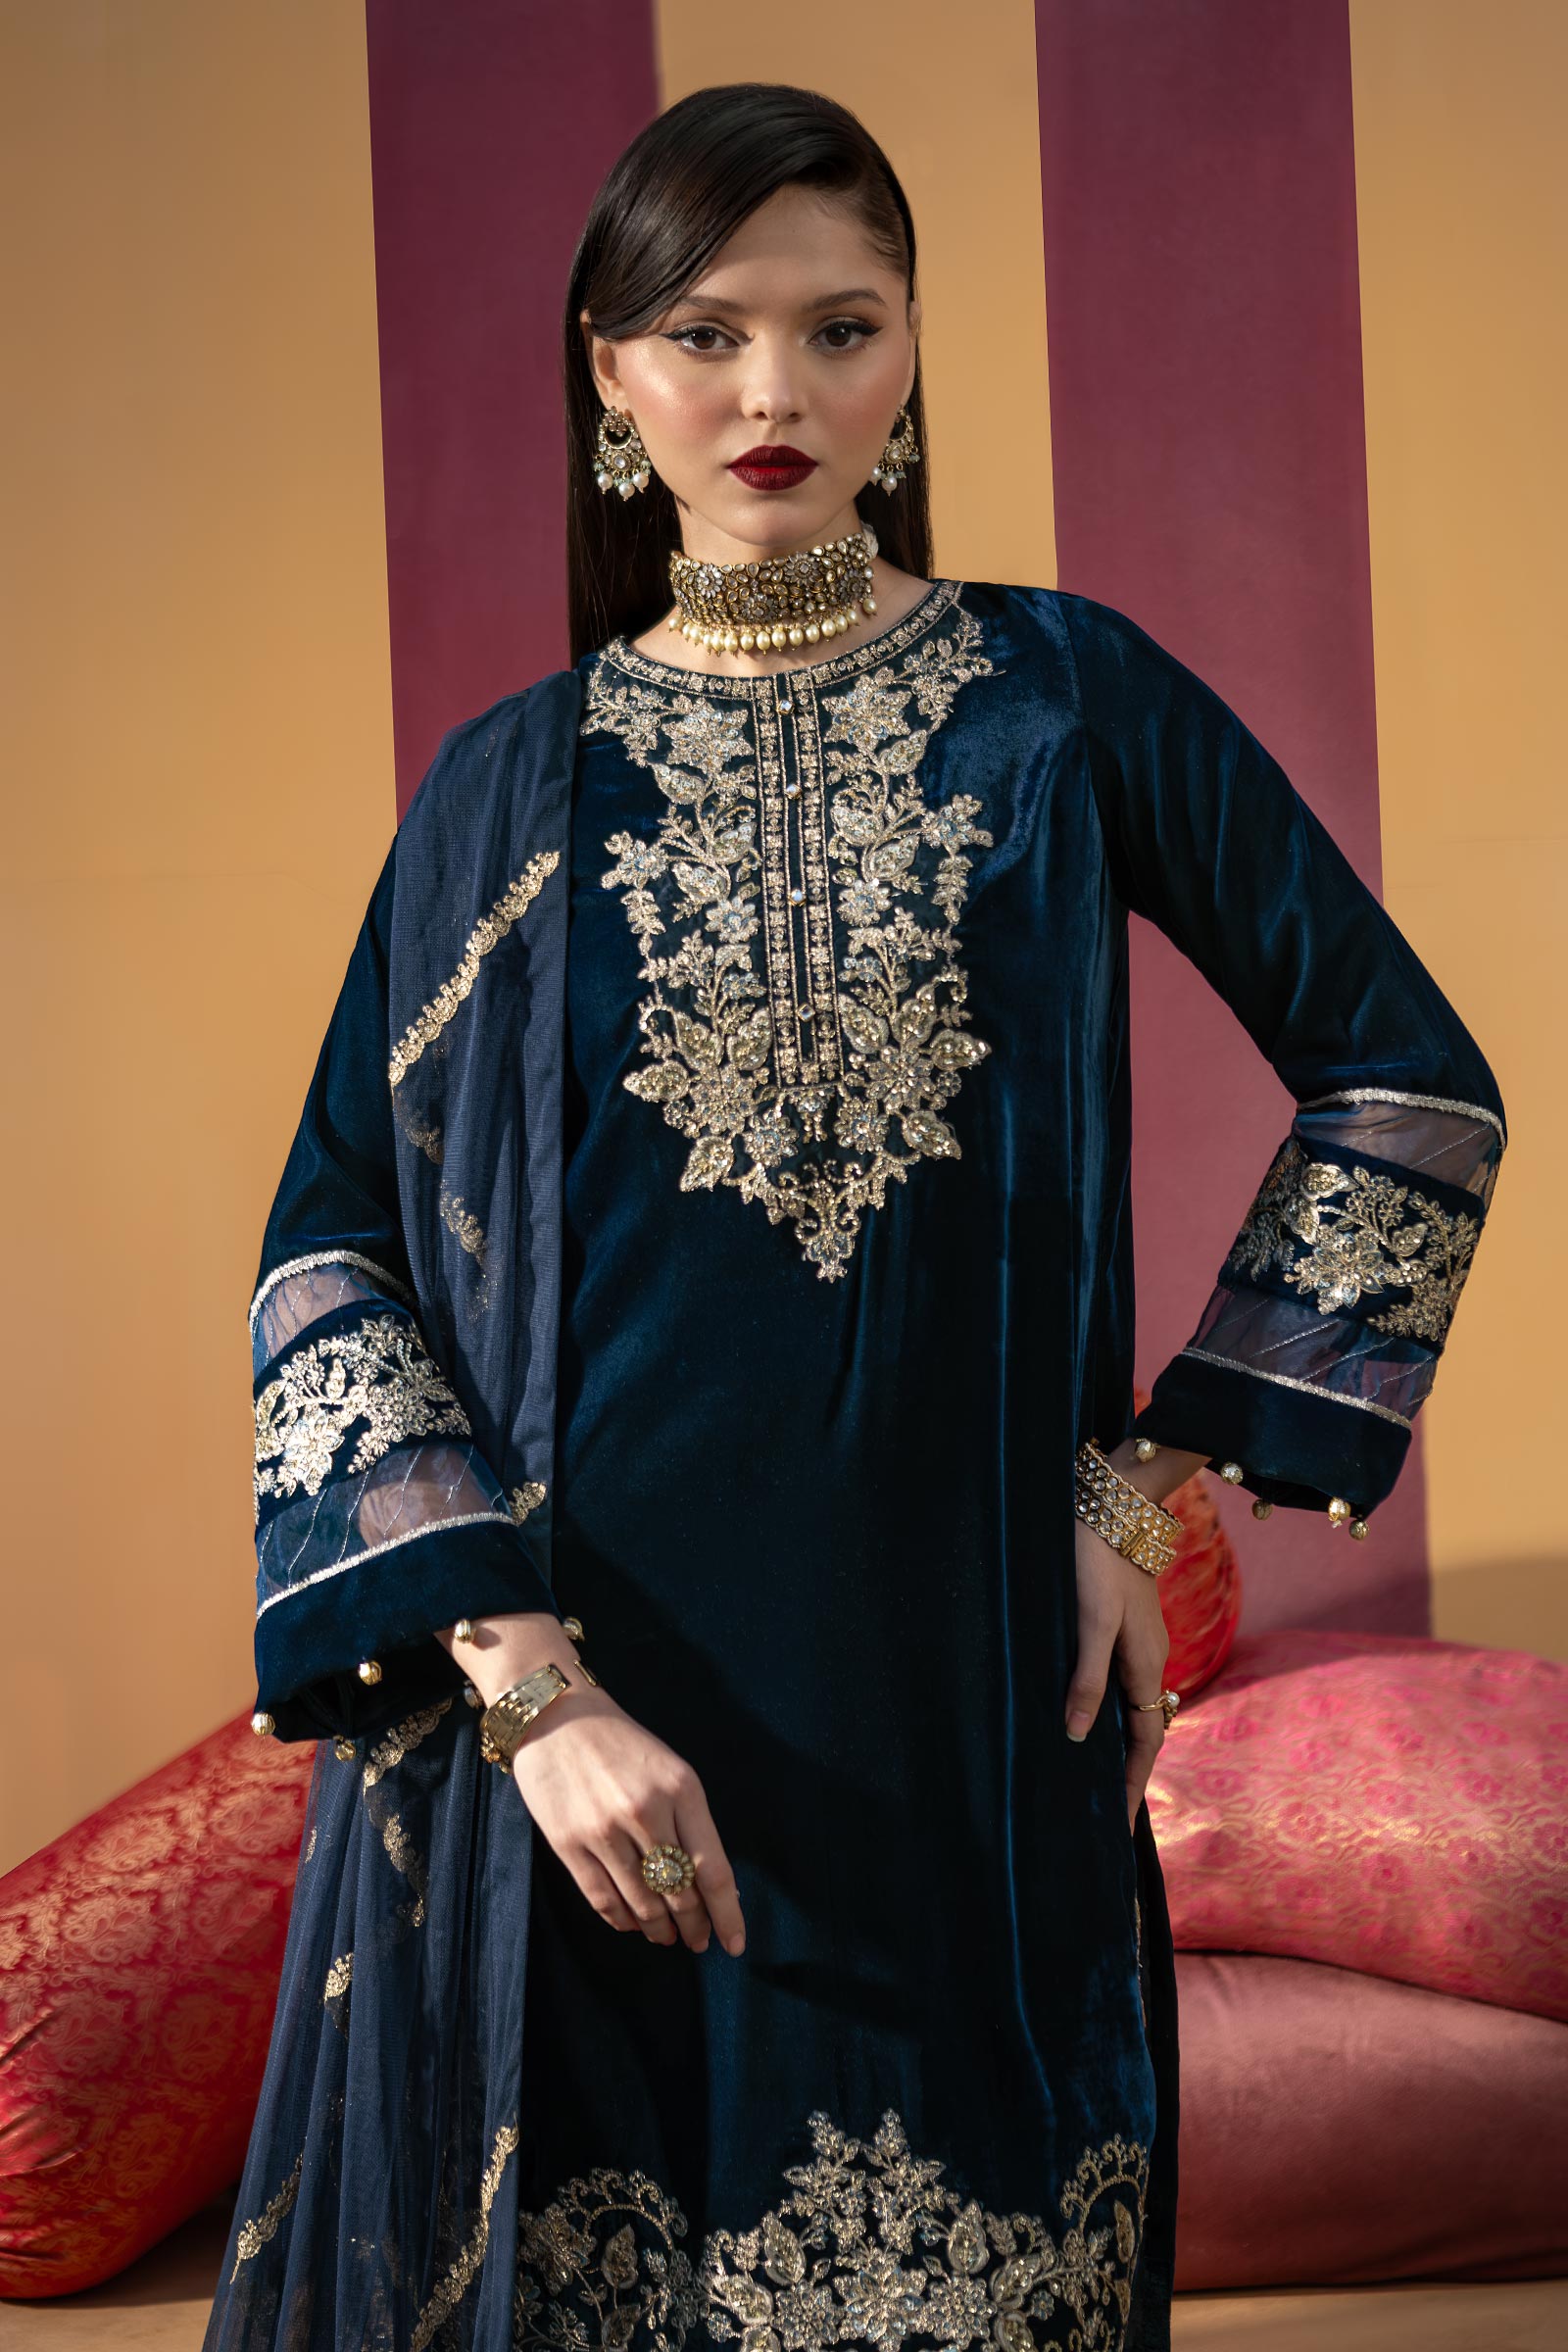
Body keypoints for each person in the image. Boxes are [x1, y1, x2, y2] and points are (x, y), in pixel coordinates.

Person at [205, 82, 1504, 2352]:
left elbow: (1404, 1085)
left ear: (910, 353)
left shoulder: (1063, 701)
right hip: (602, 1708)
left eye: (840, 328)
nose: (773, 396)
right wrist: (529, 1694)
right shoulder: (509, 788)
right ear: (609, 376)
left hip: (968, 1685)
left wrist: (1140, 1485)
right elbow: (334, 1252)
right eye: (704, 335)